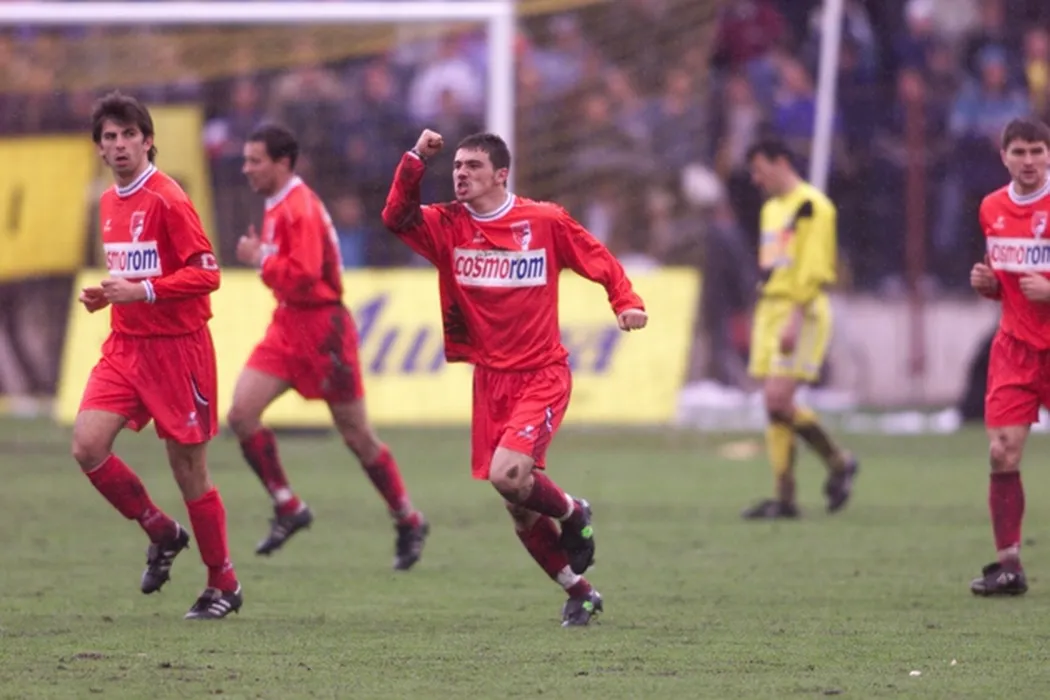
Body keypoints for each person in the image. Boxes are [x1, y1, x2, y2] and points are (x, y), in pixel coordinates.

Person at [381, 129, 648, 627]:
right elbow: (396, 216)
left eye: (473, 166)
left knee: (508, 476)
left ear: (501, 175)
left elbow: (598, 258)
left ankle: (574, 512)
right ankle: (580, 591)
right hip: (490, 381)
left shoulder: (543, 221)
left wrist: (626, 301)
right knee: (517, 504)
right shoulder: (448, 226)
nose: (461, 174)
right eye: (457, 166)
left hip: (541, 373)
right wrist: (416, 159)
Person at [73, 91, 242, 620]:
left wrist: (142, 291)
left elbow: (208, 273)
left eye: (129, 135)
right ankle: (161, 530)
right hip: (126, 347)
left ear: (148, 141)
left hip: (178, 351)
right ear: (100, 148)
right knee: (87, 445)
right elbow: (136, 274)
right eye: (110, 137)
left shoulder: (168, 198)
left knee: (188, 469)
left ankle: (223, 582)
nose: (120, 144)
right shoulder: (107, 201)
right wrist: (111, 296)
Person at [231, 123, 428, 568]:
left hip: (324, 331)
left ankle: (408, 518)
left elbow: (304, 274)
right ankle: (288, 506)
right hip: (287, 324)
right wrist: (266, 258)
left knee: (357, 435)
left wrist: (260, 257)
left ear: (282, 163)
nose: (246, 169)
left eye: (255, 161)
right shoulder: (277, 202)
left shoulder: (299, 206)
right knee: (242, 413)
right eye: (246, 160)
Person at [741, 137, 859, 520]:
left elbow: (814, 270)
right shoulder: (771, 209)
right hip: (771, 308)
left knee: (777, 399)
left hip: (801, 311)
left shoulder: (814, 206)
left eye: (760, 170)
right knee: (773, 405)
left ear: (781, 162)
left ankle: (838, 462)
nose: (756, 179)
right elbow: (775, 266)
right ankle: (786, 495)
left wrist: (792, 316)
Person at [968, 117, 1050, 596]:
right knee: (1002, 451)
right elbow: (1007, 283)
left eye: (1037, 151)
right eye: (1019, 152)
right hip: (1015, 349)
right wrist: (988, 285)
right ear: (1004, 157)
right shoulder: (991, 208)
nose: (1029, 161)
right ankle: (1009, 566)